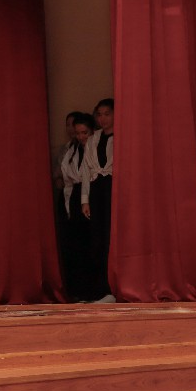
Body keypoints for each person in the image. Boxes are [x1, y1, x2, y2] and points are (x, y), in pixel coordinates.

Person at [59, 113, 100, 302]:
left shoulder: (96, 147)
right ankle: (79, 290)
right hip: (75, 195)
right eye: (78, 133)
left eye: (85, 133)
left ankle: (95, 289)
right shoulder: (72, 150)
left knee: (92, 242)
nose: (81, 137)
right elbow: (67, 179)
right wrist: (68, 205)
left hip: (93, 192)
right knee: (76, 245)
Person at [82, 98, 115, 303]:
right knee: (97, 238)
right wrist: (85, 199)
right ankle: (99, 288)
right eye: (99, 114)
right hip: (97, 189)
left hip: (113, 188)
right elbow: (86, 170)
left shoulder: (121, 136)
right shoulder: (93, 139)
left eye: (107, 114)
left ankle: (113, 287)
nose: (103, 119)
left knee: (111, 236)